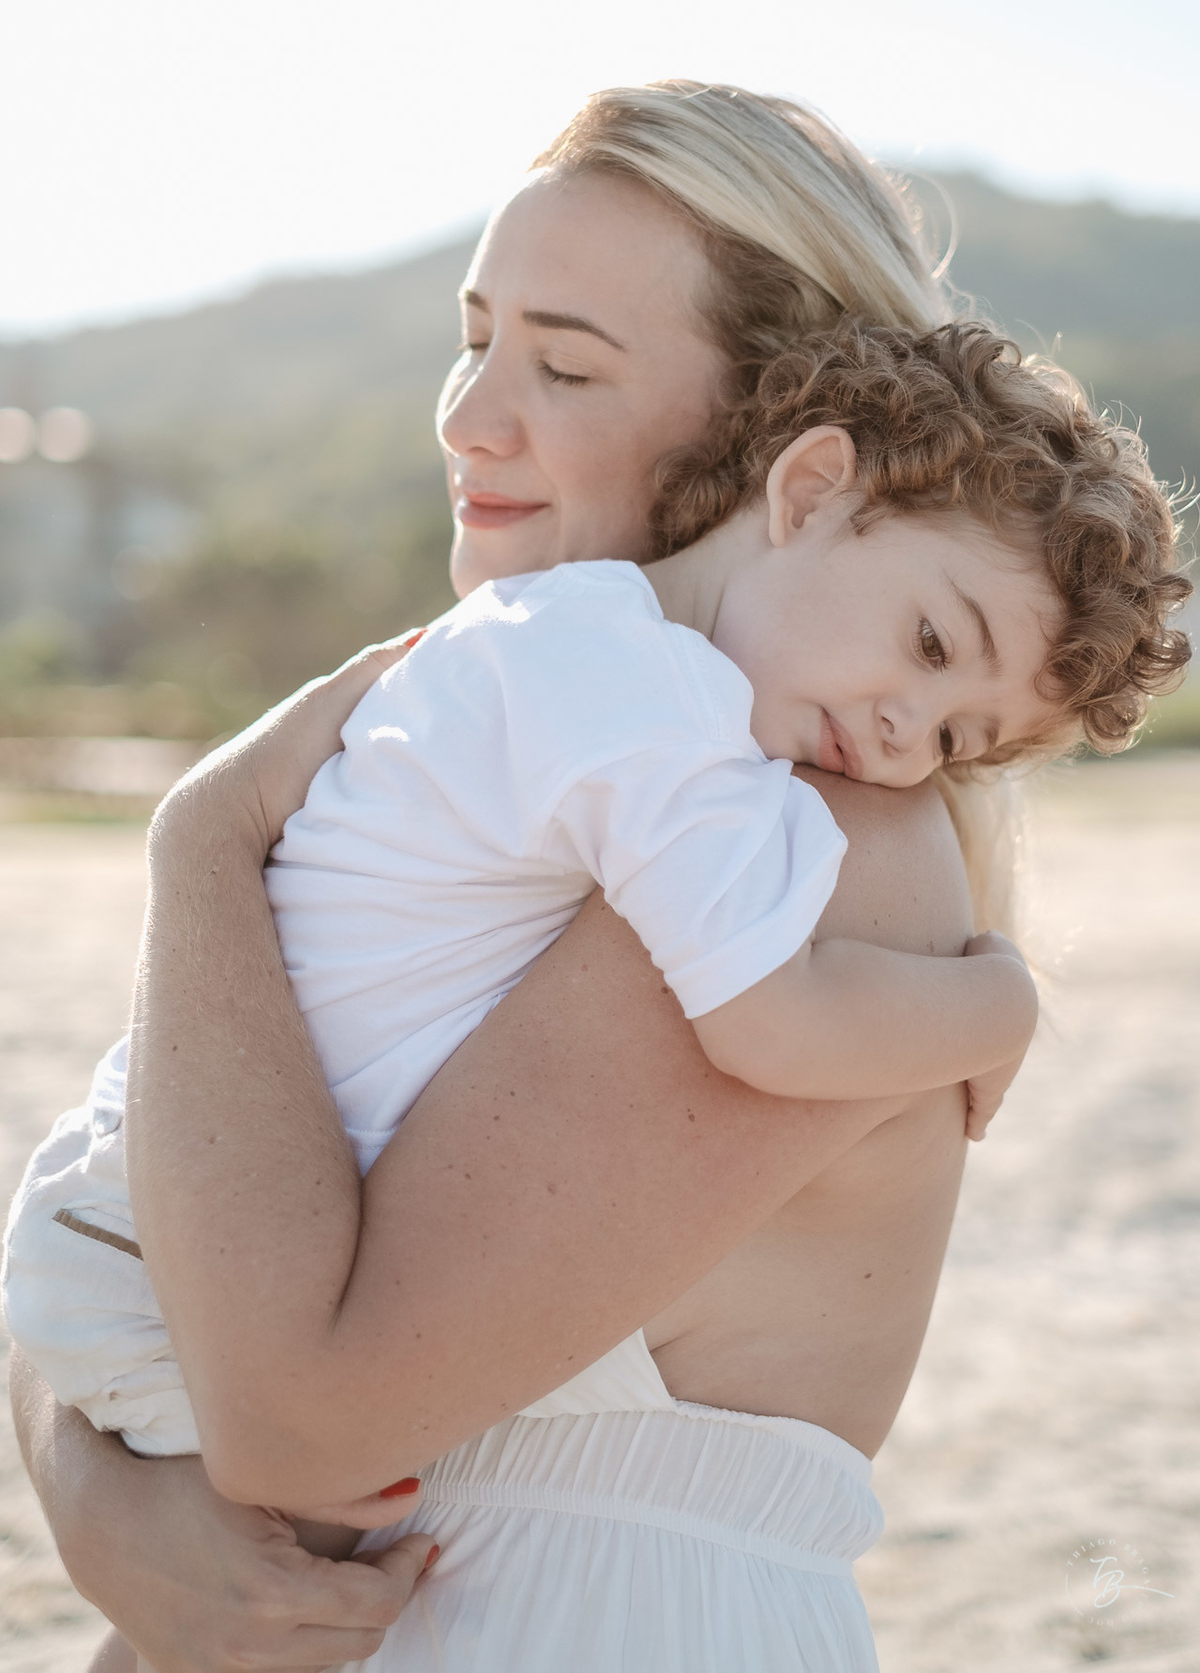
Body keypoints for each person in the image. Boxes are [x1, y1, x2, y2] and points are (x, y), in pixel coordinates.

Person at [7, 83, 1189, 1672]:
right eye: (475, 336)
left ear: (785, 446)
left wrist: (203, 842)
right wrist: (89, 1480)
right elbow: (129, 1171)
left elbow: (292, 1418)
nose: (471, 417)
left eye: (564, 365)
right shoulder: (502, 762)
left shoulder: (824, 854)